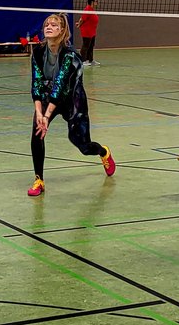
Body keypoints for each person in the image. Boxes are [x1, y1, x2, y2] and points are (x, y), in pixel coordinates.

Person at [27, 13, 115, 197]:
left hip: (72, 99)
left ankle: (103, 151)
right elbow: (36, 83)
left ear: (62, 31)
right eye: (47, 24)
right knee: (37, 133)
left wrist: (47, 115)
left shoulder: (71, 56)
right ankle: (39, 180)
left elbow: (61, 86)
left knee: (82, 145)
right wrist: (39, 114)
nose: (49, 27)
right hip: (48, 96)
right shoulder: (38, 52)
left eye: (54, 25)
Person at [75, 0, 100, 66]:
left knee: (91, 46)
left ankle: (90, 60)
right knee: (85, 46)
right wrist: (79, 24)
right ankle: (83, 61)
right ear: (92, 2)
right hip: (87, 31)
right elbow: (82, 19)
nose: (97, 2)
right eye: (96, 1)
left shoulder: (92, 9)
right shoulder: (87, 9)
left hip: (92, 31)